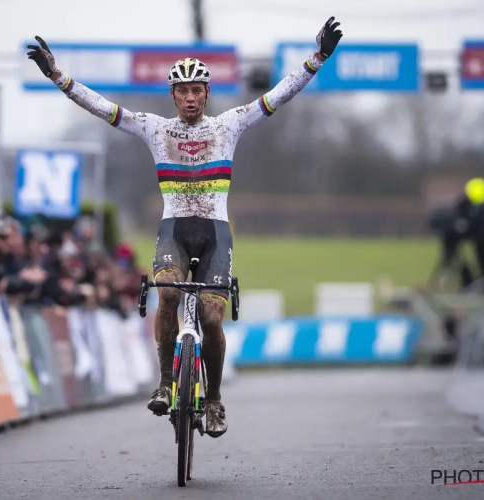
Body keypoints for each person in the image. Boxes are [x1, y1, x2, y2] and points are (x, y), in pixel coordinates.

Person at [26, 16, 343, 437]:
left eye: (197, 90)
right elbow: (101, 107)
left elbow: (277, 96)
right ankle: (163, 384)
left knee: (212, 317)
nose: (190, 97)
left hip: (215, 233)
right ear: (173, 95)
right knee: (169, 293)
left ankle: (213, 402)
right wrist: (57, 76)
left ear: (207, 93)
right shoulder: (155, 128)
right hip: (173, 230)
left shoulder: (228, 124)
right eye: (183, 91)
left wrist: (317, 58)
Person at [440, 177, 484, 287]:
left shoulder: (483, 209)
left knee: (483, 255)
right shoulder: (466, 205)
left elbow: (482, 226)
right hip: (470, 232)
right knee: (450, 237)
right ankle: (454, 263)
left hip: (480, 234)